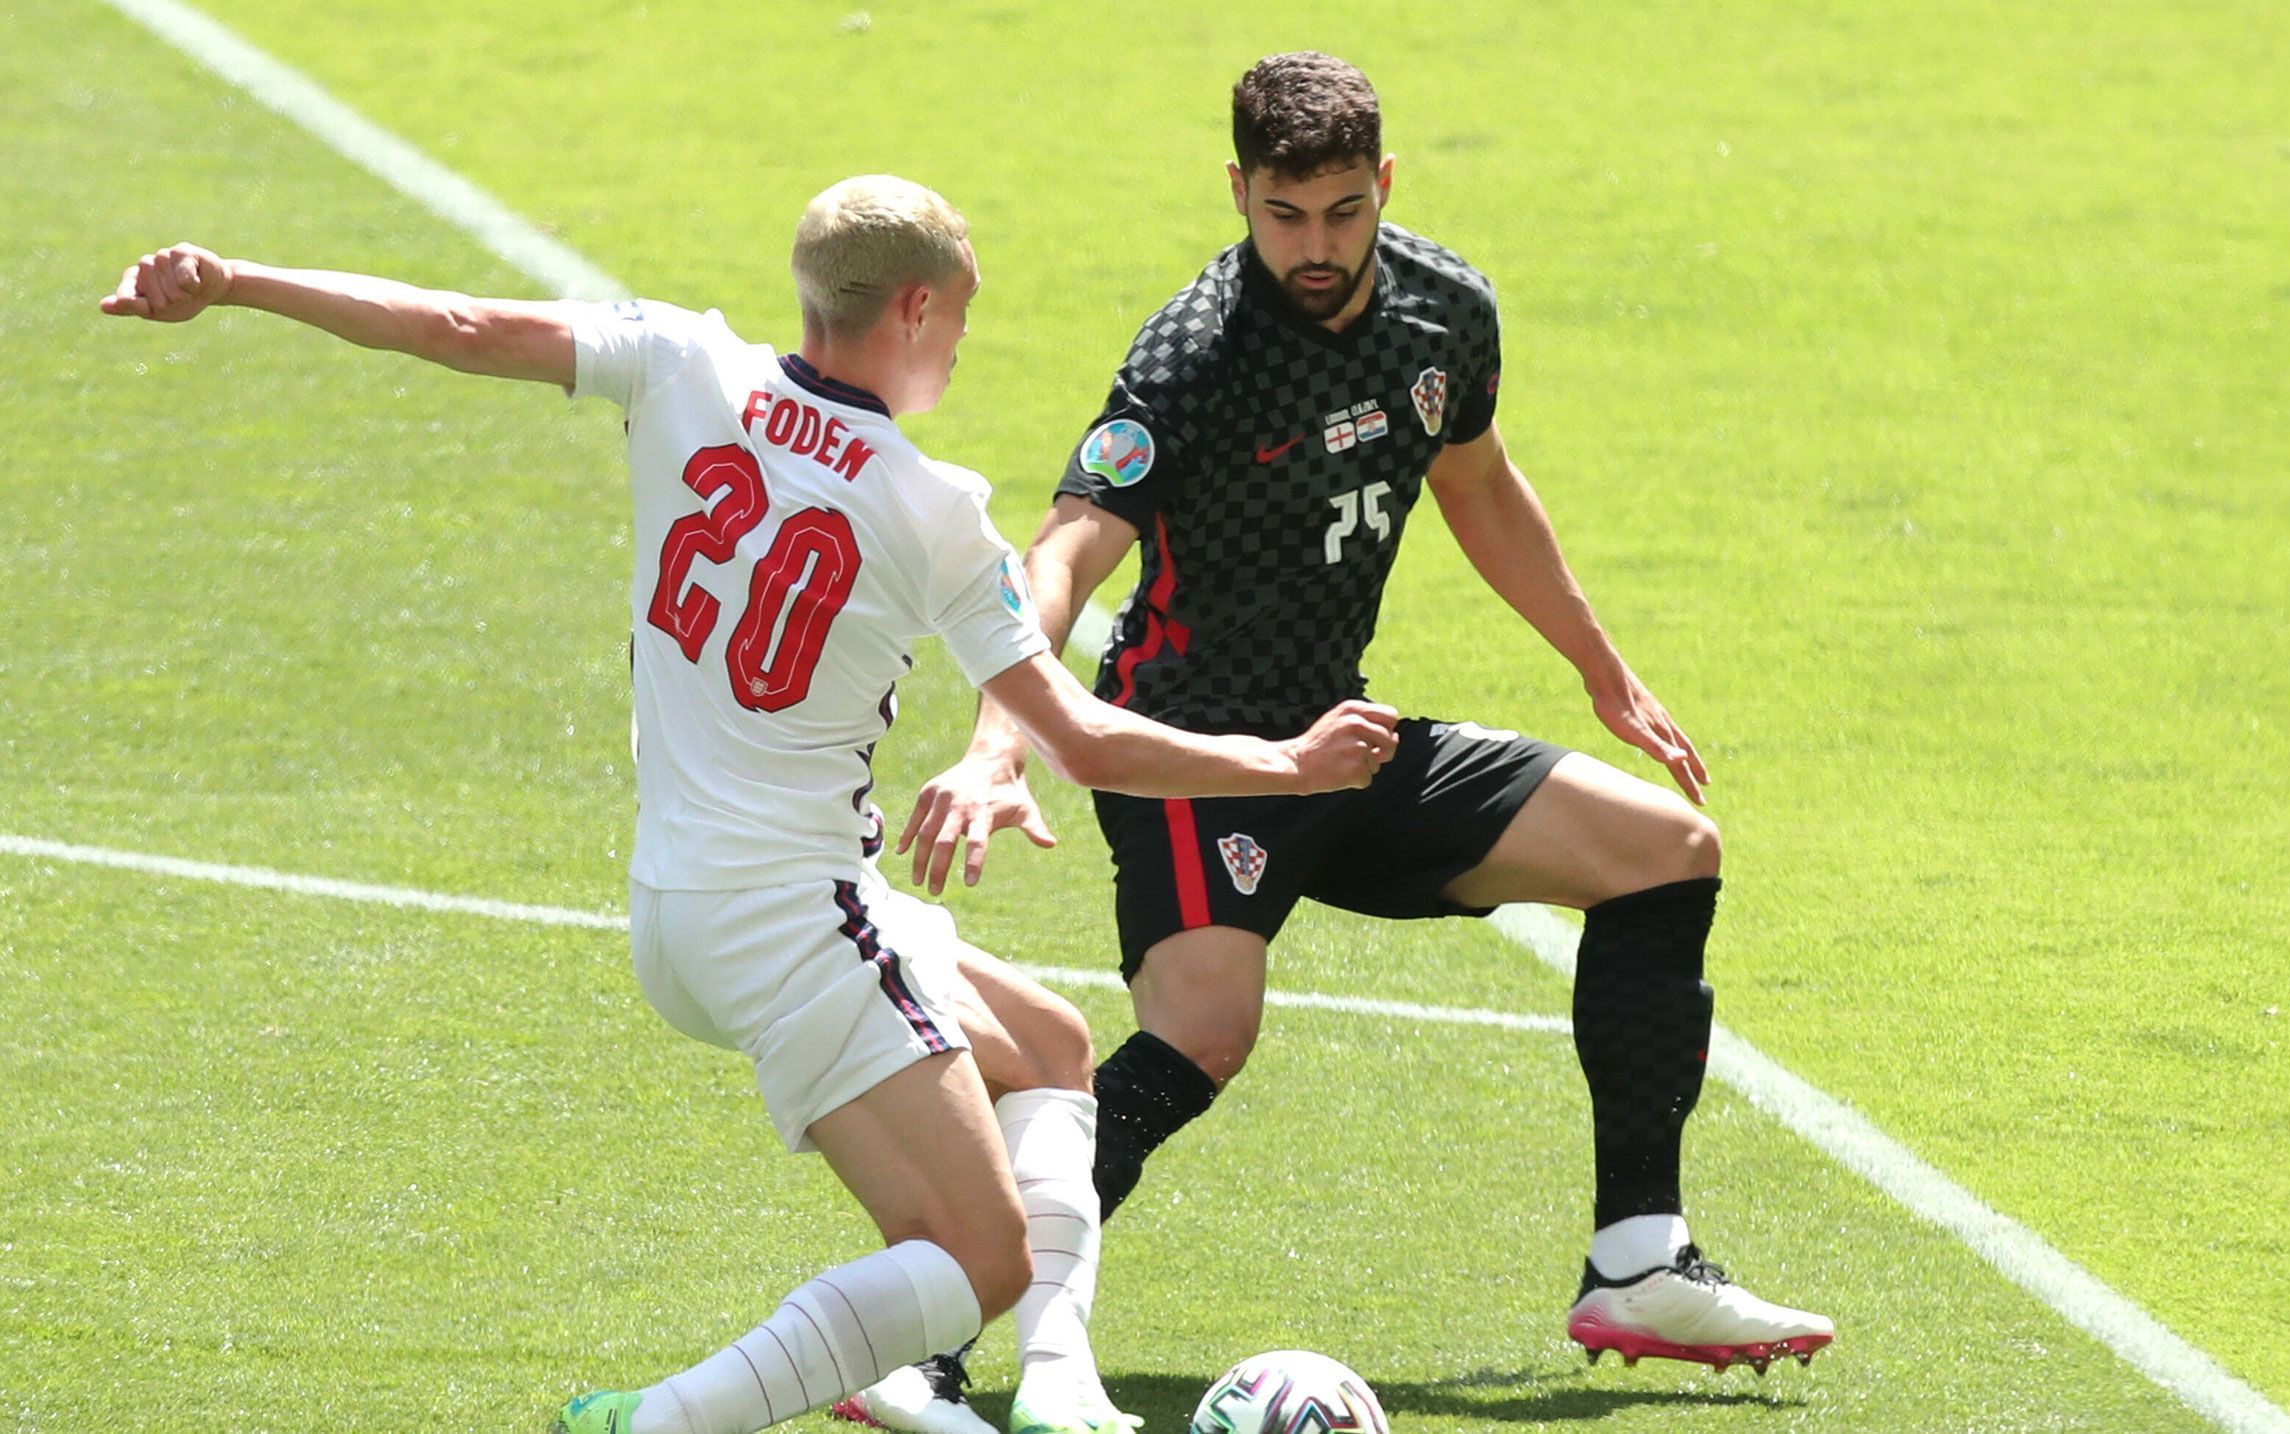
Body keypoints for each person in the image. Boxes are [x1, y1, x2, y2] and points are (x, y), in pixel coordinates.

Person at [100, 174, 1401, 1434]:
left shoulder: (679, 361)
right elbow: (1083, 737)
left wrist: (236, 280)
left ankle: (1056, 1385)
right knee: (974, 1255)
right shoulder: (933, 510)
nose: (960, 340)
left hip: (682, 897)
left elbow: (457, 324)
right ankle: (659, 1419)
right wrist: (1289, 765)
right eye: (959, 313)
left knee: (1052, 1046)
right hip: (792, 920)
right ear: (911, 311)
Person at [889, 52, 1832, 1420]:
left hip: (1341, 738)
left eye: (1340, 211)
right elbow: (1062, 555)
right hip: (1190, 754)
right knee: (1202, 1033)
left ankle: (1635, 1257)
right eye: (1285, 215)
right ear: (1239, 194)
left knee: (1666, 850)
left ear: (1382, 184)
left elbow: (1480, 483)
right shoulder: (1194, 353)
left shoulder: (1444, 312)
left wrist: (1598, 666)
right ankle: (917, 1329)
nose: (1314, 246)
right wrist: (999, 741)